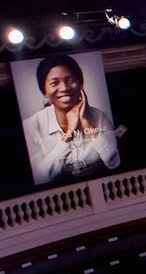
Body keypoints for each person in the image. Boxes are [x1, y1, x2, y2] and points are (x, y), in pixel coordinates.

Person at [24, 56, 121, 185]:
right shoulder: (31, 125)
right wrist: (69, 133)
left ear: (81, 84)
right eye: (54, 83)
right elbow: (41, 177)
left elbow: (114, 162)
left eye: (71, 80)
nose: (64, 88)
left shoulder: (99, 116)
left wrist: (86, 122)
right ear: (44, 91)